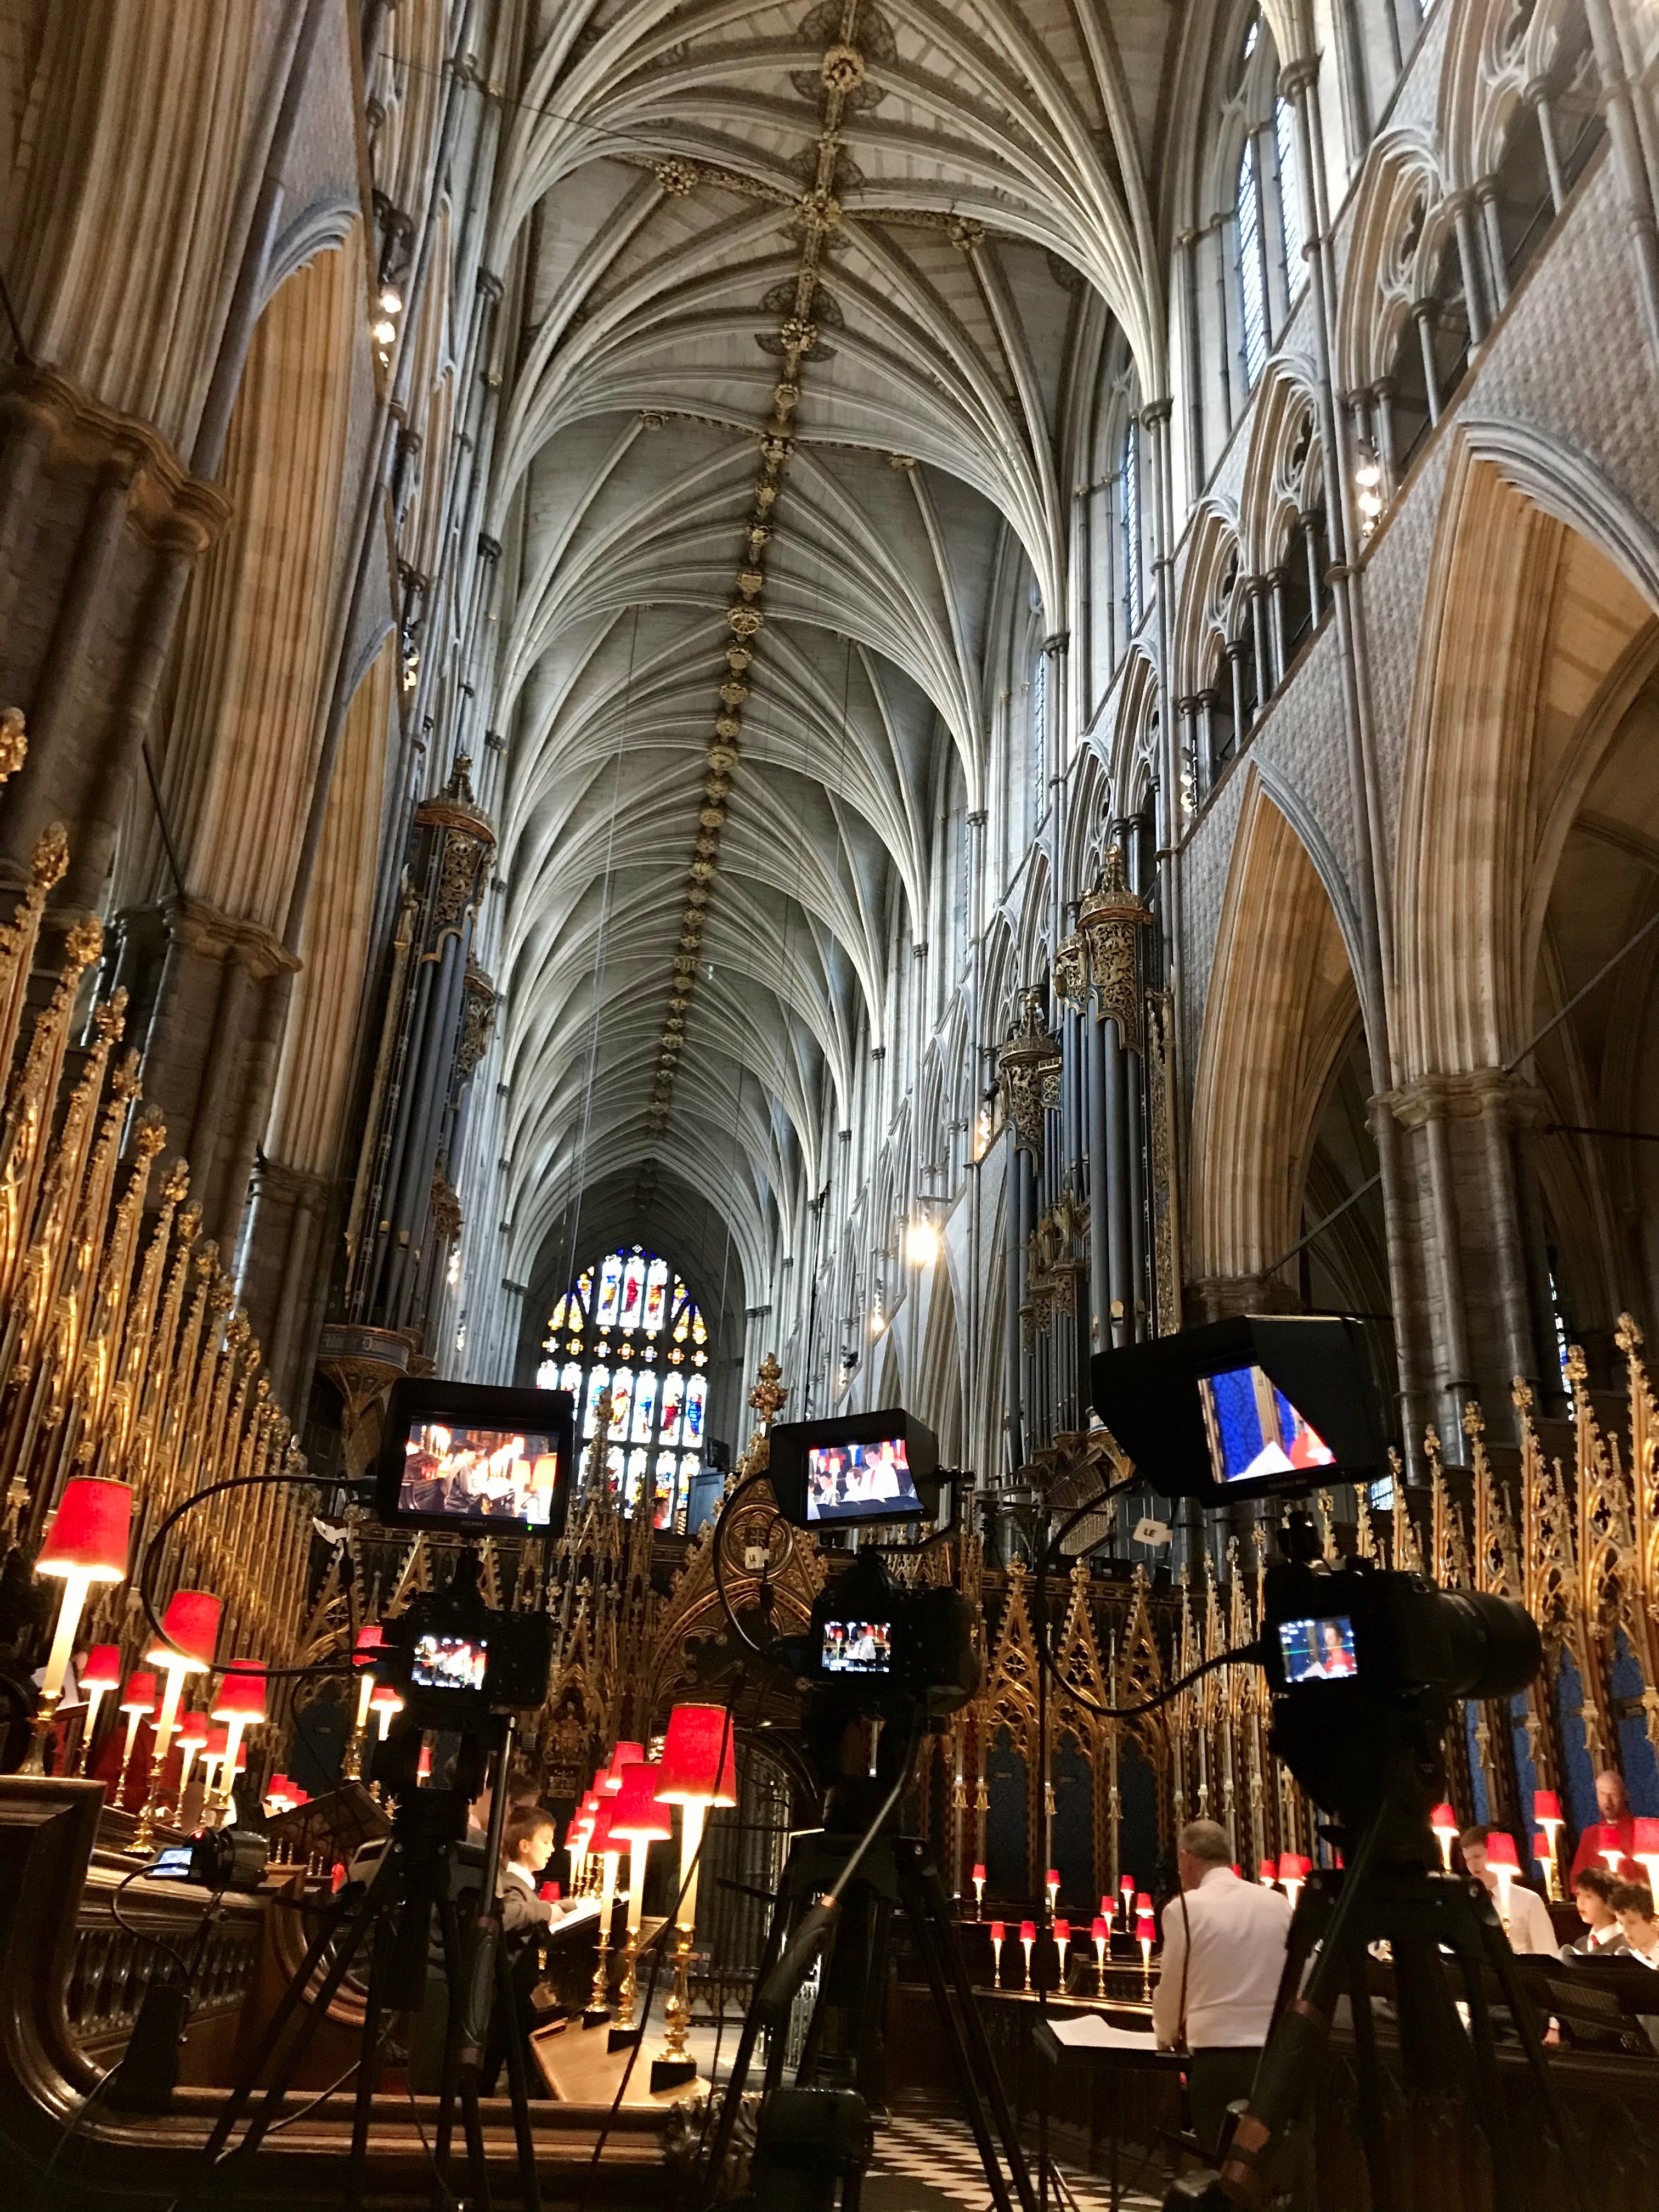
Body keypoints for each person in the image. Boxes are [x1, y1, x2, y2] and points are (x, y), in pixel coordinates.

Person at [1151, 1819, 1293, 2158]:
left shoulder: (1184, 1908)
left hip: (1218, 2059)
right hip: (1277, 2057)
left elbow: (1173, 1985)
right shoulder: (1279, 1904)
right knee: (1269, 2166)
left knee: (1223, 2163)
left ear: (1186, 1859)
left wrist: (1165, 2034)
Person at [1458, 1826, 1557, 1955]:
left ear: (1494, 1854)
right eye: (1467, 1859)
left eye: (1477, 1857)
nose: (1472, 1866)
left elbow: (1548, 1953)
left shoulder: (1528, 1900)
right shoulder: (1467, 1901)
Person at [1567, 1769, 1637, 1886]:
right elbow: (1577, 1881)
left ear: (1625, 1795)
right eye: (1602, 1794)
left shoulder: (1640, 1831)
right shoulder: (1590, 1835)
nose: (1607, 1801)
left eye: (1613, 1794)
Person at [1563, 1865, 1628, 1957]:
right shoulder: (1580, 1945)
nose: (1580, 1903)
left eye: (1588, 1896)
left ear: (1609, 1902)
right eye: (1578, 1895)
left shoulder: (1625, 1945)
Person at [1611, 1882, 1659, 1968]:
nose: (1625, 1930)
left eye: (1632, 1922)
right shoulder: (1624, 1962)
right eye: (1621, 1923)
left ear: (1654, 1921)